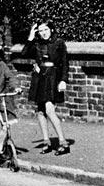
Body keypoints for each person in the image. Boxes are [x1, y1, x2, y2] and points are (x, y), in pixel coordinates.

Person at [22, 21, 70, 155]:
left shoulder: (59, 43)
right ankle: (46, 141)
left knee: (50, 110)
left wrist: (63, 80)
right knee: (40, 111)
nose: (43, 33)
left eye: (46, 29)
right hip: (39, 78)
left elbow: (65, 63)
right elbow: (24, 53)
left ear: (51, 30)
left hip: (53, 78)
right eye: (41, 30)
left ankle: (63, 142)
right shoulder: (37, 44)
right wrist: (31, 37)